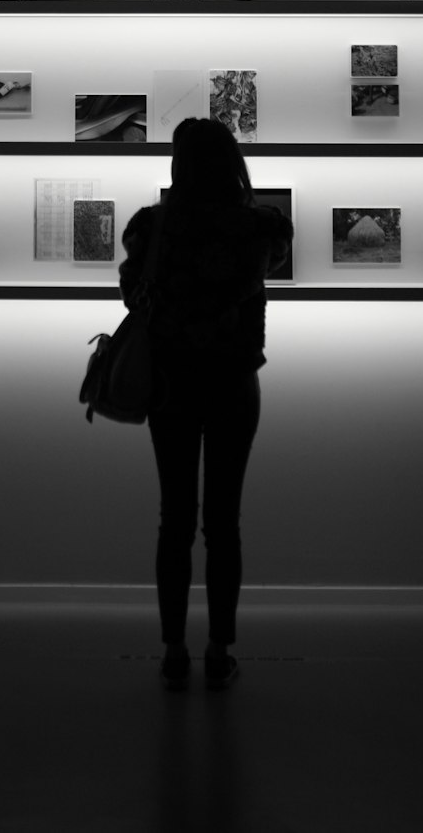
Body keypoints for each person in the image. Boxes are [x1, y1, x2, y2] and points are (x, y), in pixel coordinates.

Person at [118, 117, 293, 692]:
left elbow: (130, 290)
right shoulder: (258, 229)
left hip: (170, 383)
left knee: (175, 520)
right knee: (223, 523)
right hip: (233, 383)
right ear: (232, 164)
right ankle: (218, 650)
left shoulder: (152, 227)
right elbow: (279, 240)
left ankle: (173, 650)